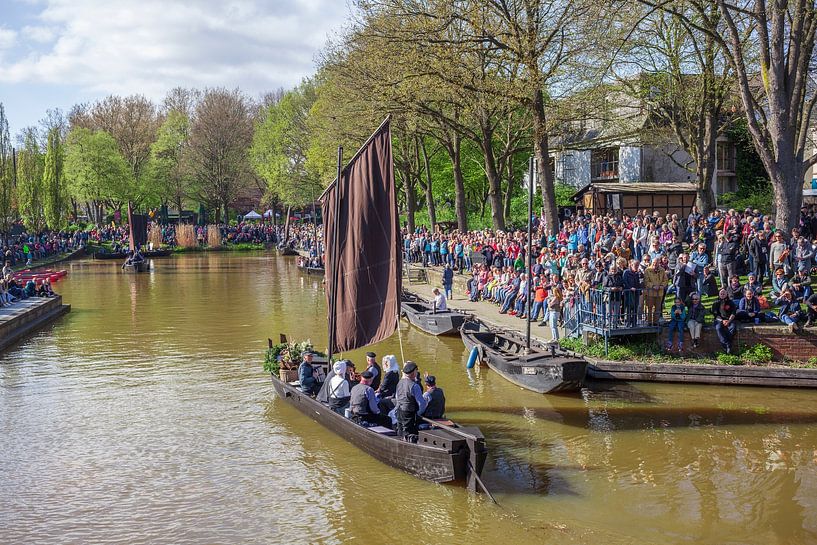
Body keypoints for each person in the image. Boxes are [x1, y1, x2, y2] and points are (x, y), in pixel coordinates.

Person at [394, 361, 427, 442]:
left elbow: (397, 397)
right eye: (416, 370)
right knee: (409, 432)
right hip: (409, 413)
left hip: (399, 410)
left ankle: (401, 439)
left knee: (401, 429)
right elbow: (421, 404)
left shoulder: (399, 382)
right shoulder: (415, 386)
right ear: (413, 372)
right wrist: (419, 413)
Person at [711, 288, 737, 354]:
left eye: (724, 293)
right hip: (719, 319)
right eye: (721, 293)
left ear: (726, 294)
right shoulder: (715, 303)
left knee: (733, 328)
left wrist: (729, 321)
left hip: (729, 319)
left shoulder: (731, 302)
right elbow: (715, 315)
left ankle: (728, 345)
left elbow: (733, 313)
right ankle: (726, 345)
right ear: (719, 294)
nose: (722, 295)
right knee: (718, 328)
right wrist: (722, 321)